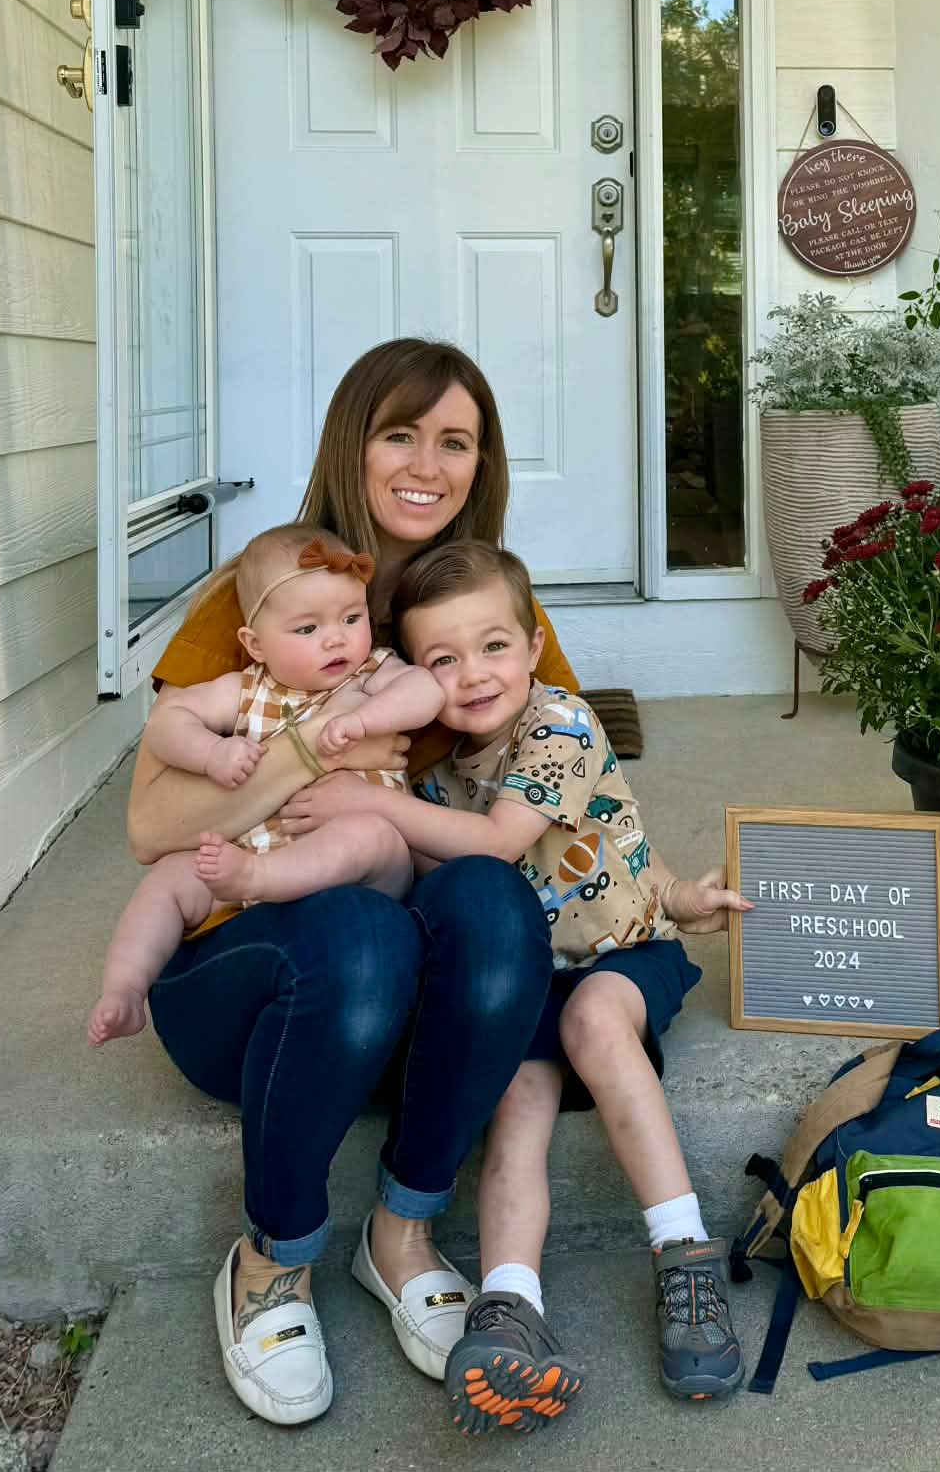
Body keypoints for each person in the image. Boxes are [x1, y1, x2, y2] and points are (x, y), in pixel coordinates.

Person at [130, 341, 577, 1426]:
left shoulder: (489, 609)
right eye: (399, 434)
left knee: (492, 900)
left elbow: (562, 788)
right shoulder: (260, 592)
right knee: (360, 934)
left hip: (421, 1017)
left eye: (454, 441)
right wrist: (312, 746)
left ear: (482, 464)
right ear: (352, 445)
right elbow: (150, 827)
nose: (427, 464)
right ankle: (270, 1260)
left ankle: (402, 1233)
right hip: (259, 985)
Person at [282, 540, 752, 1433]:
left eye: (494, 645)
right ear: (412, 675)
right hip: (530, 980)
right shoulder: (431, 777)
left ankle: (683, 1254)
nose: (473, 674)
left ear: (535, 644)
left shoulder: (560, 721)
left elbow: (511, 842)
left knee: (595, 1025)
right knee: (516, 1098)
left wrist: (679, 901)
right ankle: (509, 1309)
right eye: (441, 659)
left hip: (620, 954)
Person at [87, 525, 442, 1049]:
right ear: (255, 644)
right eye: (307, 628)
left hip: (358, 875)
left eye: (352, 618)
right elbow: (166, 724)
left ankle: (260, 879)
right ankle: (125, 989)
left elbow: (426, 690)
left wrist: (364, 720)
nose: (336, 639)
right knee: (170, 878)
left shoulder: (371, 673)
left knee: (370, 835)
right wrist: (211, 753)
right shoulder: (246, 689)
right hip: (255, 852)